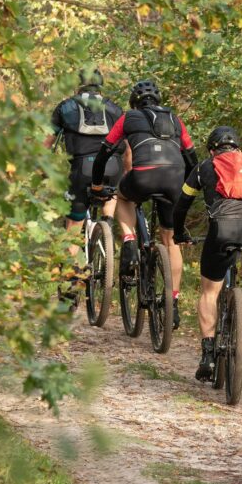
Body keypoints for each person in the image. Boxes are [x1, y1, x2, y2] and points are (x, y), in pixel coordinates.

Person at [172, 126, 242, 381]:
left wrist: (180, 234)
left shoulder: (203, 167)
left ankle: (208, 355)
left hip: (221, 231)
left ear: (212, 149)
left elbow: (181, 206)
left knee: (209, 292)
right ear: (238, 147)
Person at [90, 80, 198, 330]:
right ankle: (173, 304)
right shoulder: (175, 119)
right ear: (158, 101)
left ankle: (129, 240)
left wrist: (97, 186)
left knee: (122, 196)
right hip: (175, 180)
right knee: (171, 242)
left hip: (142, 176)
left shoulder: (129, 118)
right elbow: (192, 159)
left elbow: (105, 152)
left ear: (134, 102)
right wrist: (188, 191)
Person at [43, 67, 126, 302]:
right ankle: (107, 225)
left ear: (78, 85)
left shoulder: (65, 107)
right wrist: (128, 171)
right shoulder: (115, 108)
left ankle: (70, 289)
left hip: (81, 168)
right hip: (112, 167)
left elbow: (48, 142)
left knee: (73, 226)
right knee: (112, 192)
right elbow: (126, 145)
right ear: (100, 85)